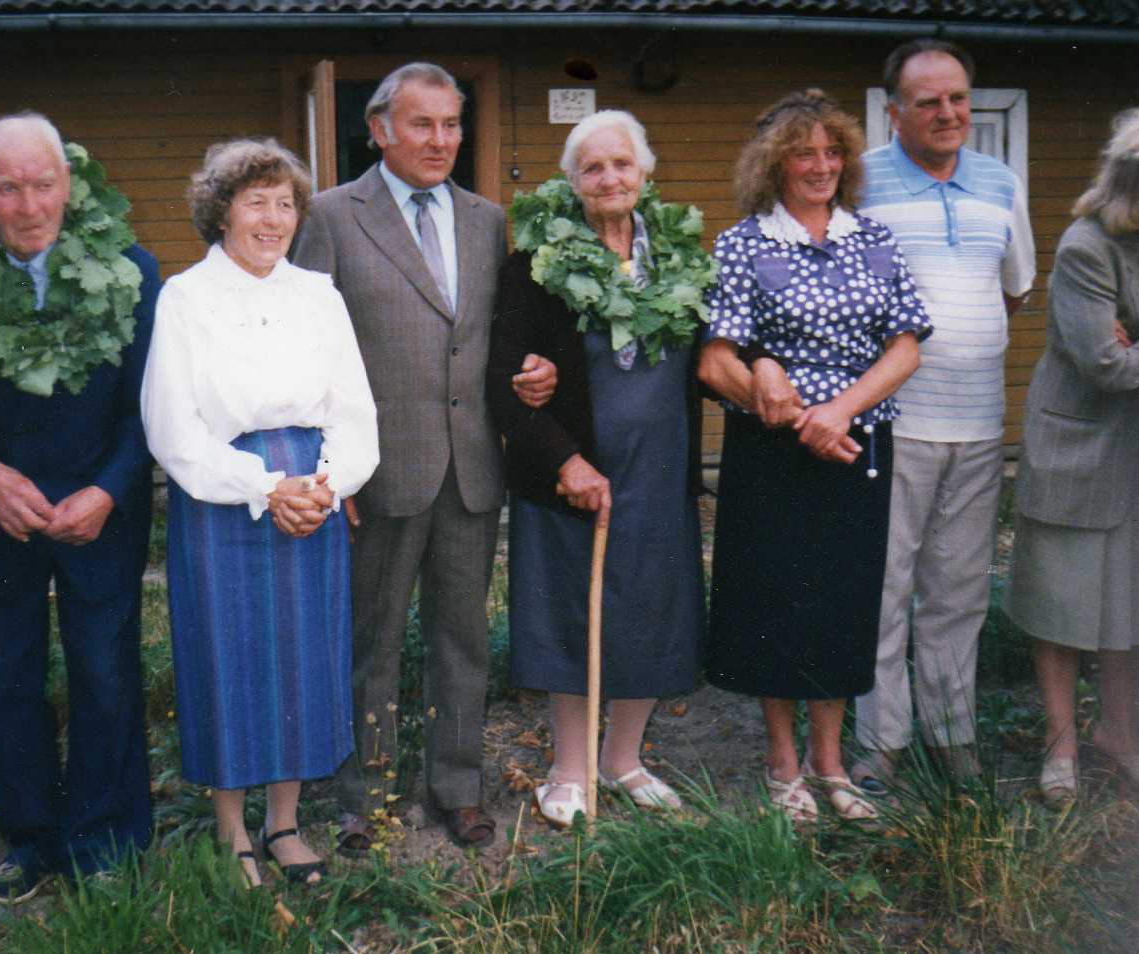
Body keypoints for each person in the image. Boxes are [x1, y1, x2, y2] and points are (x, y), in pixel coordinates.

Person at [291, 62, 554, 852]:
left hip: (471, 468)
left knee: (462, 639)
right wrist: (330, 475)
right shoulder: (331, 217)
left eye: (451, 124)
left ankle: (457, 788)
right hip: (377, 474)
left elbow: (498, 334)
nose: (441, 140)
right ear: (378, 130)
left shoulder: (485, 220)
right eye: (421, 124)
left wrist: (538, 369)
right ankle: (361, 799)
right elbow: (307, 356)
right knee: (369, 642)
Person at [0, 113, 160, 902]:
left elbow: (152, 401)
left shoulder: (130, 269)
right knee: (9, 676)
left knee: (105, 672)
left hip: (99, 510)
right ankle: (29, 842)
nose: (29, 204)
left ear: (69, 183)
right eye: (7, 188)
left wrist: (109, 489)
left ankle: (105, 842)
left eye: (43, 183)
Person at [141, 138, 378, 886]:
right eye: (256, 202)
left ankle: (284, 824)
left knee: (303, 659)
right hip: (225, 500)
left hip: (311, 492)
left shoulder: (318, 295)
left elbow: (355, 410)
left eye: (285, 204)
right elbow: (172, 429)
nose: (273, 219)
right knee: (230, 657)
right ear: (221, 211)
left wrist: (326, 484)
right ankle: (231, 829)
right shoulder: (186, 297)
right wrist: (262, 485)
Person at [699, 89, 930, 822]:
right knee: (776, 600)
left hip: (856, 442)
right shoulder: (742, 243)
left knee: (841, 600)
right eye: (804, 152)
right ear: (775, 164)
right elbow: (714, 362)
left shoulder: (874, 239)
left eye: (833, 152)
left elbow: (905, 345)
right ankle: (782, 763)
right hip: (771, 453)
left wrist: (838, 412)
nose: (821, 165)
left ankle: (830, 764)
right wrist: (799, 416)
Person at [487, 111, 707, 827]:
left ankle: (621, 761)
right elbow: (504, 374)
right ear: (571, 181)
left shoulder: (680, 260)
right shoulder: (535, 263)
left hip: (658, 467)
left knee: (652, 608)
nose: (608, 178)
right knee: (567, 610)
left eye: (621, 164)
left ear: (644, 172)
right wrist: (563, 457)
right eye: (591, 167)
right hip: (572, 472)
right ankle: (568, 769)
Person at [853, 39, 1037, 791]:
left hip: (979, 422)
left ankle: (951, 734)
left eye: (957, 97)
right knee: (883, 587)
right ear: (894, 110)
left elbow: (1014, 287)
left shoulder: (999, 182)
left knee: (958, 591)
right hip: (892, 421)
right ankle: (880, 745)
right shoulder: (860, 180)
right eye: (926, 101)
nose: (946, 112)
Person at [1004, 109, 1139, 805]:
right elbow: (1103, 364)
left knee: (1128, 610)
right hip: (1080, 451)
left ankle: (1120, 736)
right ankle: (1059, 747)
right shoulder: (1088, 247)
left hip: (1137, 460)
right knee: (1059, 607)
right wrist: (1122, 350)